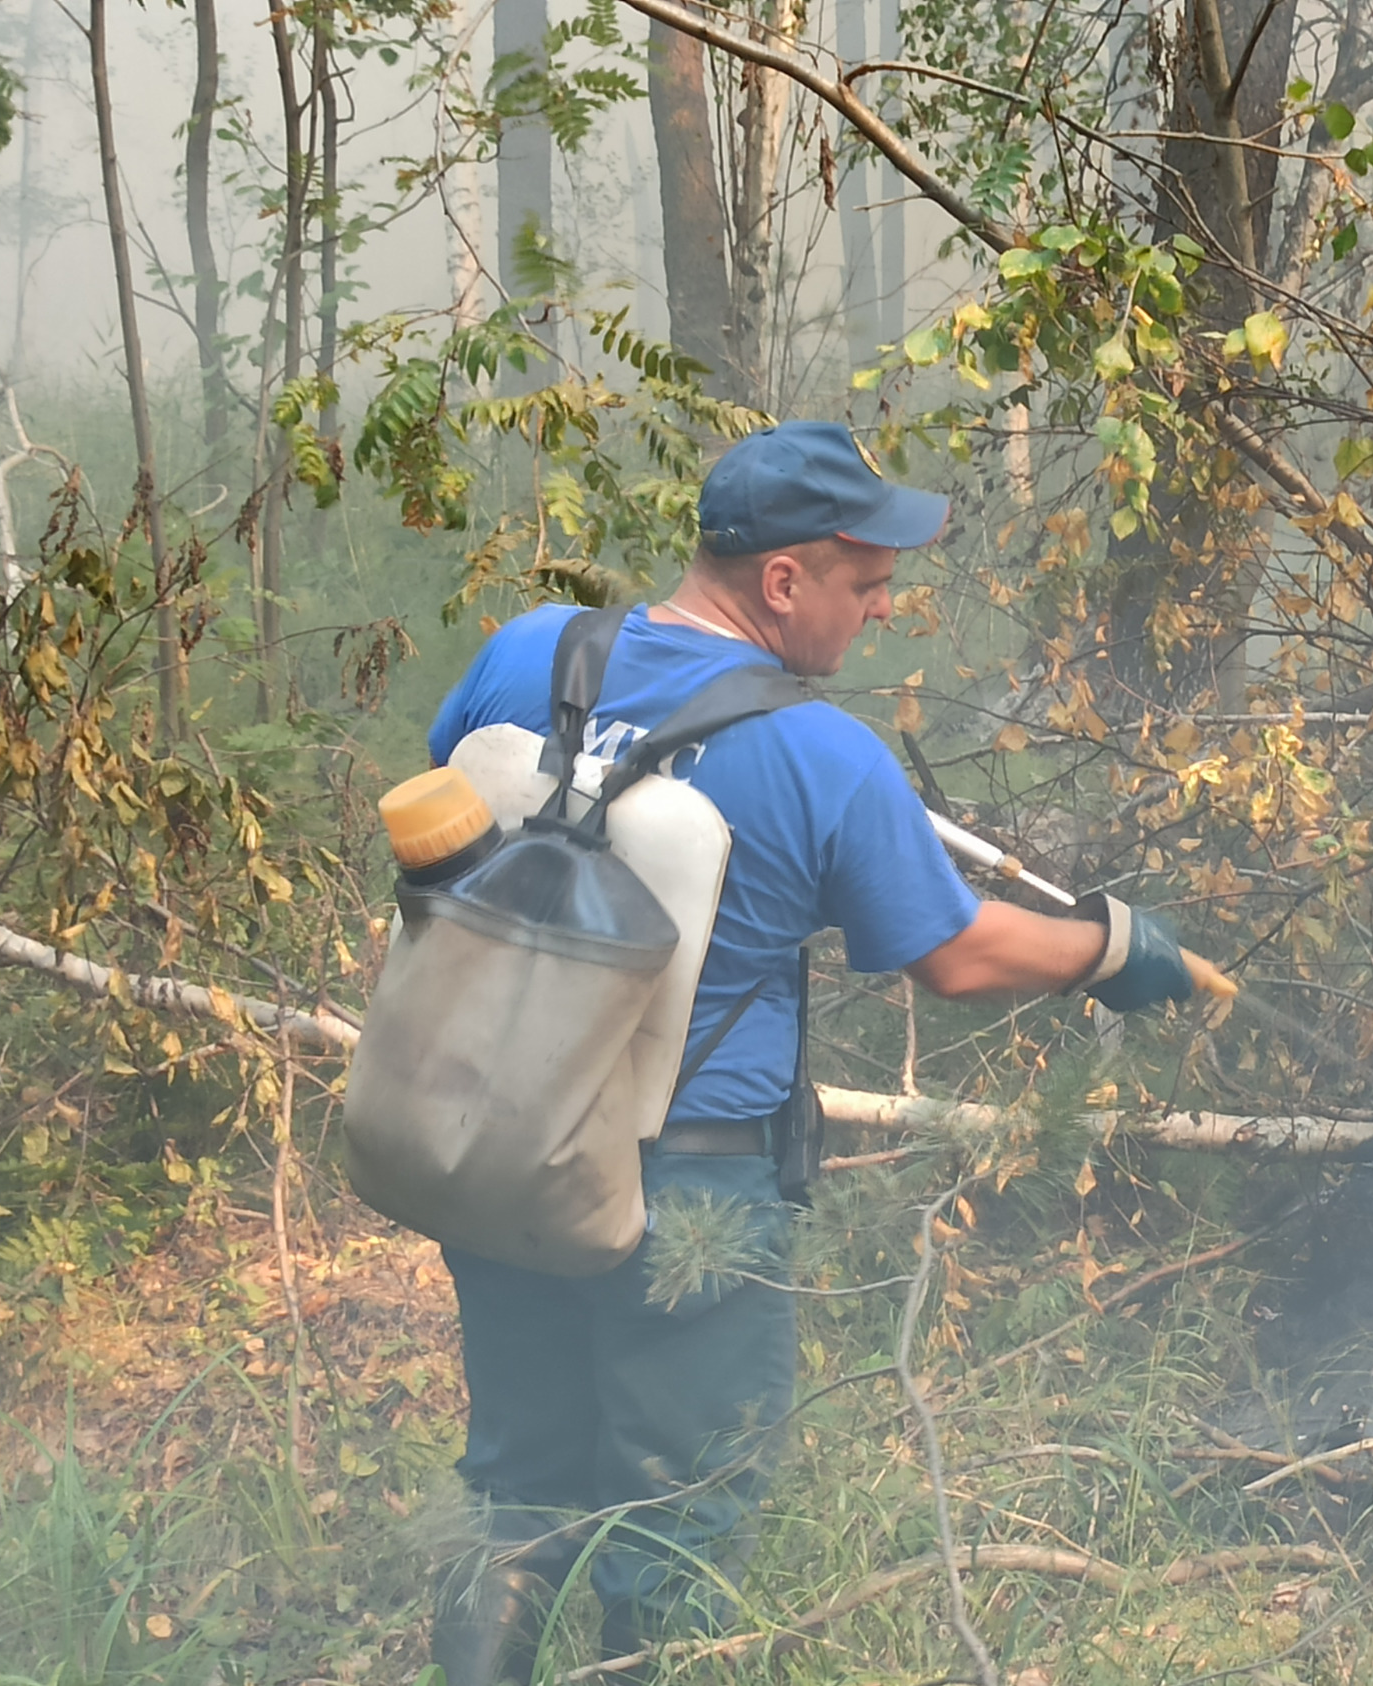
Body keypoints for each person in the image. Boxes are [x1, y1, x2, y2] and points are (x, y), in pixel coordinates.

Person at [419, 420, 1199, 1684]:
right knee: (685, 1516)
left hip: (497, 1148)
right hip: (687, 1193)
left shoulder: (527, 653)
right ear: (783, 580)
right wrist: (1109, 947)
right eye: (867, 584)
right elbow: (953, 955)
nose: (881, 612)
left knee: (519, 1483)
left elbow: (456, 801)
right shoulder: (821, 752)